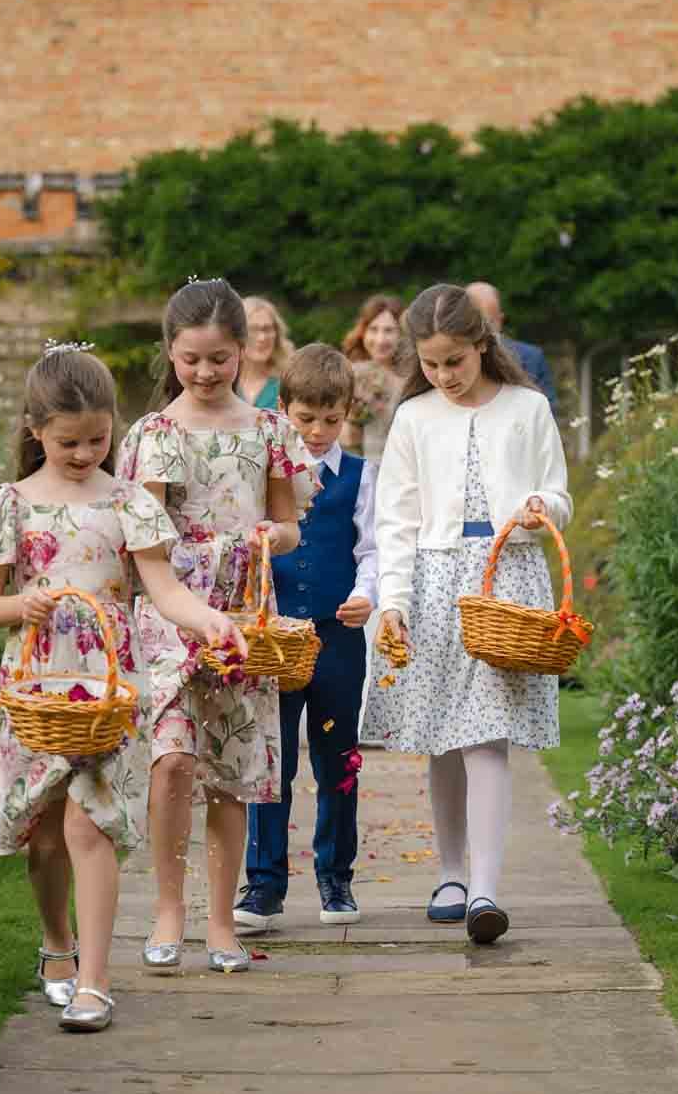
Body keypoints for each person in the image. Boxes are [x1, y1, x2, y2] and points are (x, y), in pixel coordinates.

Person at [0, 342, 247, 1032]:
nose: (86, 453)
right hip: (38, 682)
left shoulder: (129, 503)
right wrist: (20, 605)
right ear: (34, 430)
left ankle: (94, 979)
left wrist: (209, 622)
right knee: (48, 835)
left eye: (97, 439)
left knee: (91, 826)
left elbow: (164, 587)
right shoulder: (9, 505)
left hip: (110, 683)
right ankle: (57, 943)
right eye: (68, 442)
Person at [359, 283, 571, 945]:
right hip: (432, 580)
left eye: (455, 361)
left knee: (487, 733)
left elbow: (559, 492)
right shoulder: (416, 419)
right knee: (443, 738)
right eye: (430, 364)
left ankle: (484, 887)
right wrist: (391, 603)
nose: (444, 376)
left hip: (507, 578)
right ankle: (450, 871)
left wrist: (541, 506)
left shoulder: (528, 408)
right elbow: (396, 519)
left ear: (484, 345)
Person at [121, 279, 319, 975]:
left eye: (219, 358)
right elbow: (144, 546)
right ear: (170, 354)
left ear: (243, 351)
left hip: (242, 613)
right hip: (173, 608)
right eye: (190, 359)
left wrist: (273, 534)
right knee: (173, 760)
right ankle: (167, 909)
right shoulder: (154, 436)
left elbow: (291, 525)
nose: (205, 373)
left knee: (233, 774)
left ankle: (221, 921)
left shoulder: (267, 431)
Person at [233, 344, 379, 933]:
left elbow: (371, 549)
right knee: (271, 759)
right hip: (274, 638)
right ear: (282, 410)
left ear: (347, 413)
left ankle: (335, 878)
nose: (318, 432)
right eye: (305, 419)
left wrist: (366, 595)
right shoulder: (265, 477)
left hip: (337, 636)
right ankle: (264, 884)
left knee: (337, 758)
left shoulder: (362, 479)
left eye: (331, 419)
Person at [466, 281, 557, 414]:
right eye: (476, 323)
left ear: (500, 319)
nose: (483, 331)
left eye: (489, 322)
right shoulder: (451, 361)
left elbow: (547, 413)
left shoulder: (532, 357)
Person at [339, 293, 405, 463]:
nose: (380, 339)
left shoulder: (412, 379)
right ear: (363, 332)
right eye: (373, 329)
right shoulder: (348, 375)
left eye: (389, 330)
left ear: (401, 334)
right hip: (358, 468)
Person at [236, 295, 292, 409]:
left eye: (267, 329)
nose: (262, 337)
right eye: (253, 329)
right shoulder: (224, 381)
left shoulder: (289, 382)